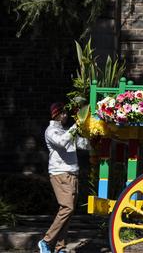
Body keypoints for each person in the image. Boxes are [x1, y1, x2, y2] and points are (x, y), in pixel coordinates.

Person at [38, 103, 90, 253]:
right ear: (56, 114)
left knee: (67, 211)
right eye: (63, 113)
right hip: (60, 173)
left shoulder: (66, 130)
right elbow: (62, 143)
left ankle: (60, 247)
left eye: (66, 113)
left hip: (72, 174)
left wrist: (94, 137)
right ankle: (46, 241)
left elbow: (83, 145)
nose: (66, 115)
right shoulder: (51, 131)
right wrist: (76, 125)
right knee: (67, 207)